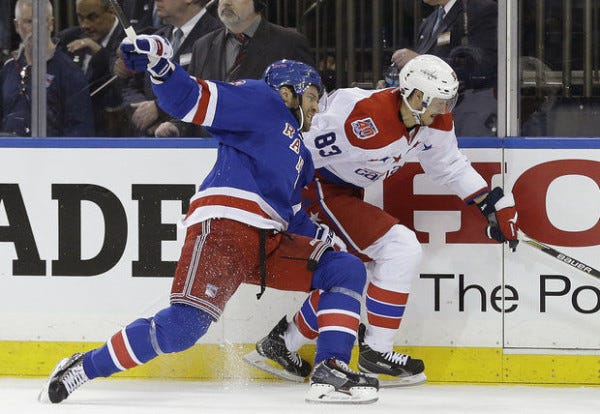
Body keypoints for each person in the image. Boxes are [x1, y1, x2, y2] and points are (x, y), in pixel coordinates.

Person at [38, 35, 379, 405]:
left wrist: (321, 237)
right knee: (182, 329)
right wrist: (161, 63)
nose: (316, 107)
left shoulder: (302, 157)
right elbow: (189, 99)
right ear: (286, 92)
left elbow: (294, 217)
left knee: (344, 268)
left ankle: (331, 369)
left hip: (269, 242)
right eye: (312, 96)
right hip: (227, 228)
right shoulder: (260, 100)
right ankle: (84, 366)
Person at [245, 55, 520, 386]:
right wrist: (277, 202)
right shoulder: (361, 119)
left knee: (362, 271)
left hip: (344, 191)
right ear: (415, 95)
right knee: (400, 248)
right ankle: (376, 352)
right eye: (439, 101)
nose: (445, 110)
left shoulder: (434, 120)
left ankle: (282, 344)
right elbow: (298, 147)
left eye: (450, 102)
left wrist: (490, 202)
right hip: (317, 188)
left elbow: (447, 164)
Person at [154, 0, 314, 137]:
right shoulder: (203, 45)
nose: (226, 2)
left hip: (264, 153)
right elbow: (193, 98)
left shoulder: (289, 43)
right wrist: (176, 126)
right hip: (207, 153)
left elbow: (306, 103)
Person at [115, 0, 222, 136]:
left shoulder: (218, 35)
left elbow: (213, 90)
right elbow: (133, 85)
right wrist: (141, 109)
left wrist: (159, 109)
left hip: (196, 143)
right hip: (150, 141)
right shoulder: (157, 38)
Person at [391, 0, 498, 137]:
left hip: (471, 109)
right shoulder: (429, 22)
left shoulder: (480, 10)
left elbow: (484, 64)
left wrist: (421, 61)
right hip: (434, 113)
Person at [0, 0, 94, 137]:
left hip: (52, 155)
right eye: (29, 22)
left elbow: (81, 131)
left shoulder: (70, 72)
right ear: (16, 26)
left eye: (41, 21)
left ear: (51, 24)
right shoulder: (8, 69)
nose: (35, 28)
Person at [57, 0, 126, 136]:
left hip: (112, 134)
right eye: (80, 17)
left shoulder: (129, 41)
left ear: (112, 10)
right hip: (71, 131)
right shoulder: (68, 38)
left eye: (92, 17)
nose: (85, 25)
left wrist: (99, 53)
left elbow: (123, 90)